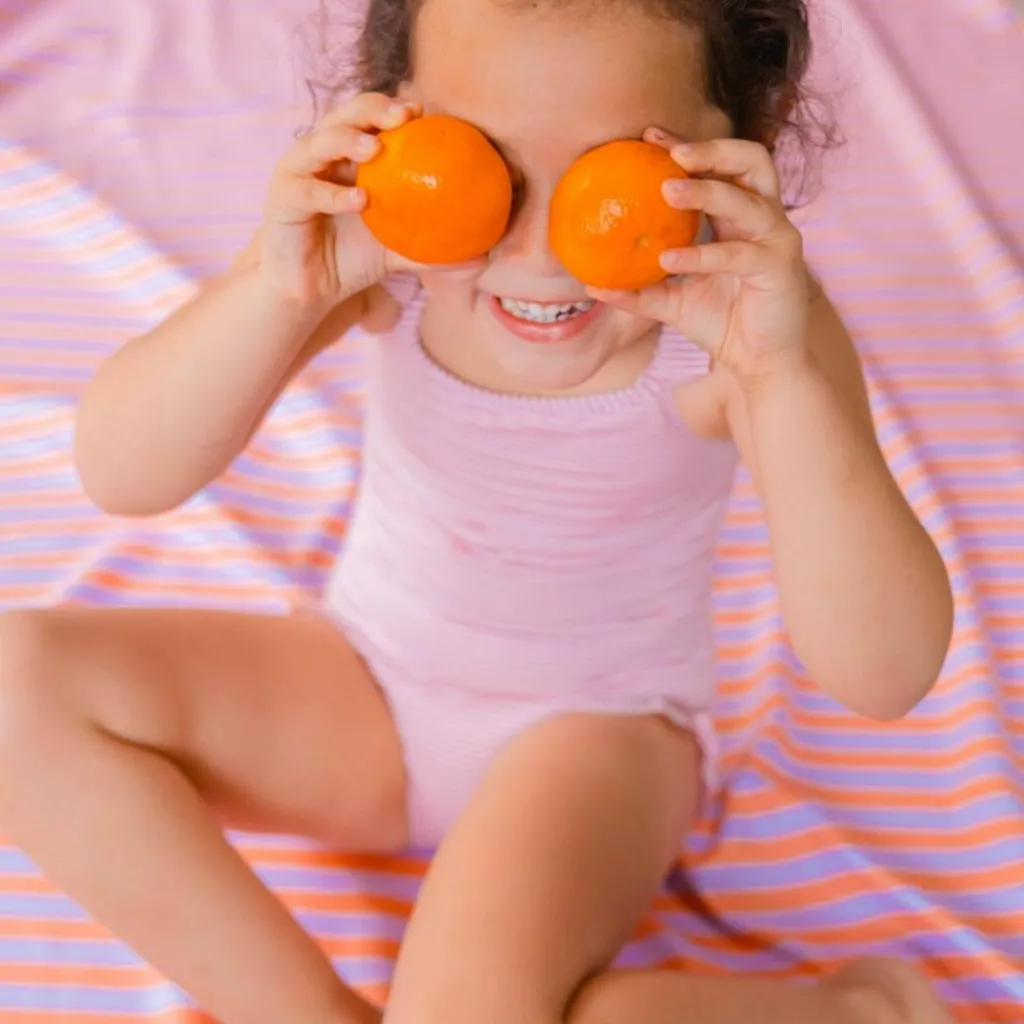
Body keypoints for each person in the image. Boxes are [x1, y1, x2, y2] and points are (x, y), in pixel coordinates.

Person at [0, 0, 956, 1020]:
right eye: (486, 166)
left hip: (599, 736)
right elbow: (122, 473)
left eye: (608, 175)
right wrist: (278, 293)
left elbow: (883, 674)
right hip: (365, 686)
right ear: (395, 119)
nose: (538, 255)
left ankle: (867, 1010)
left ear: (740, 145)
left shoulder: (742, 333)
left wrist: (780, 376)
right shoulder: (392, 261)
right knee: (17, 686)